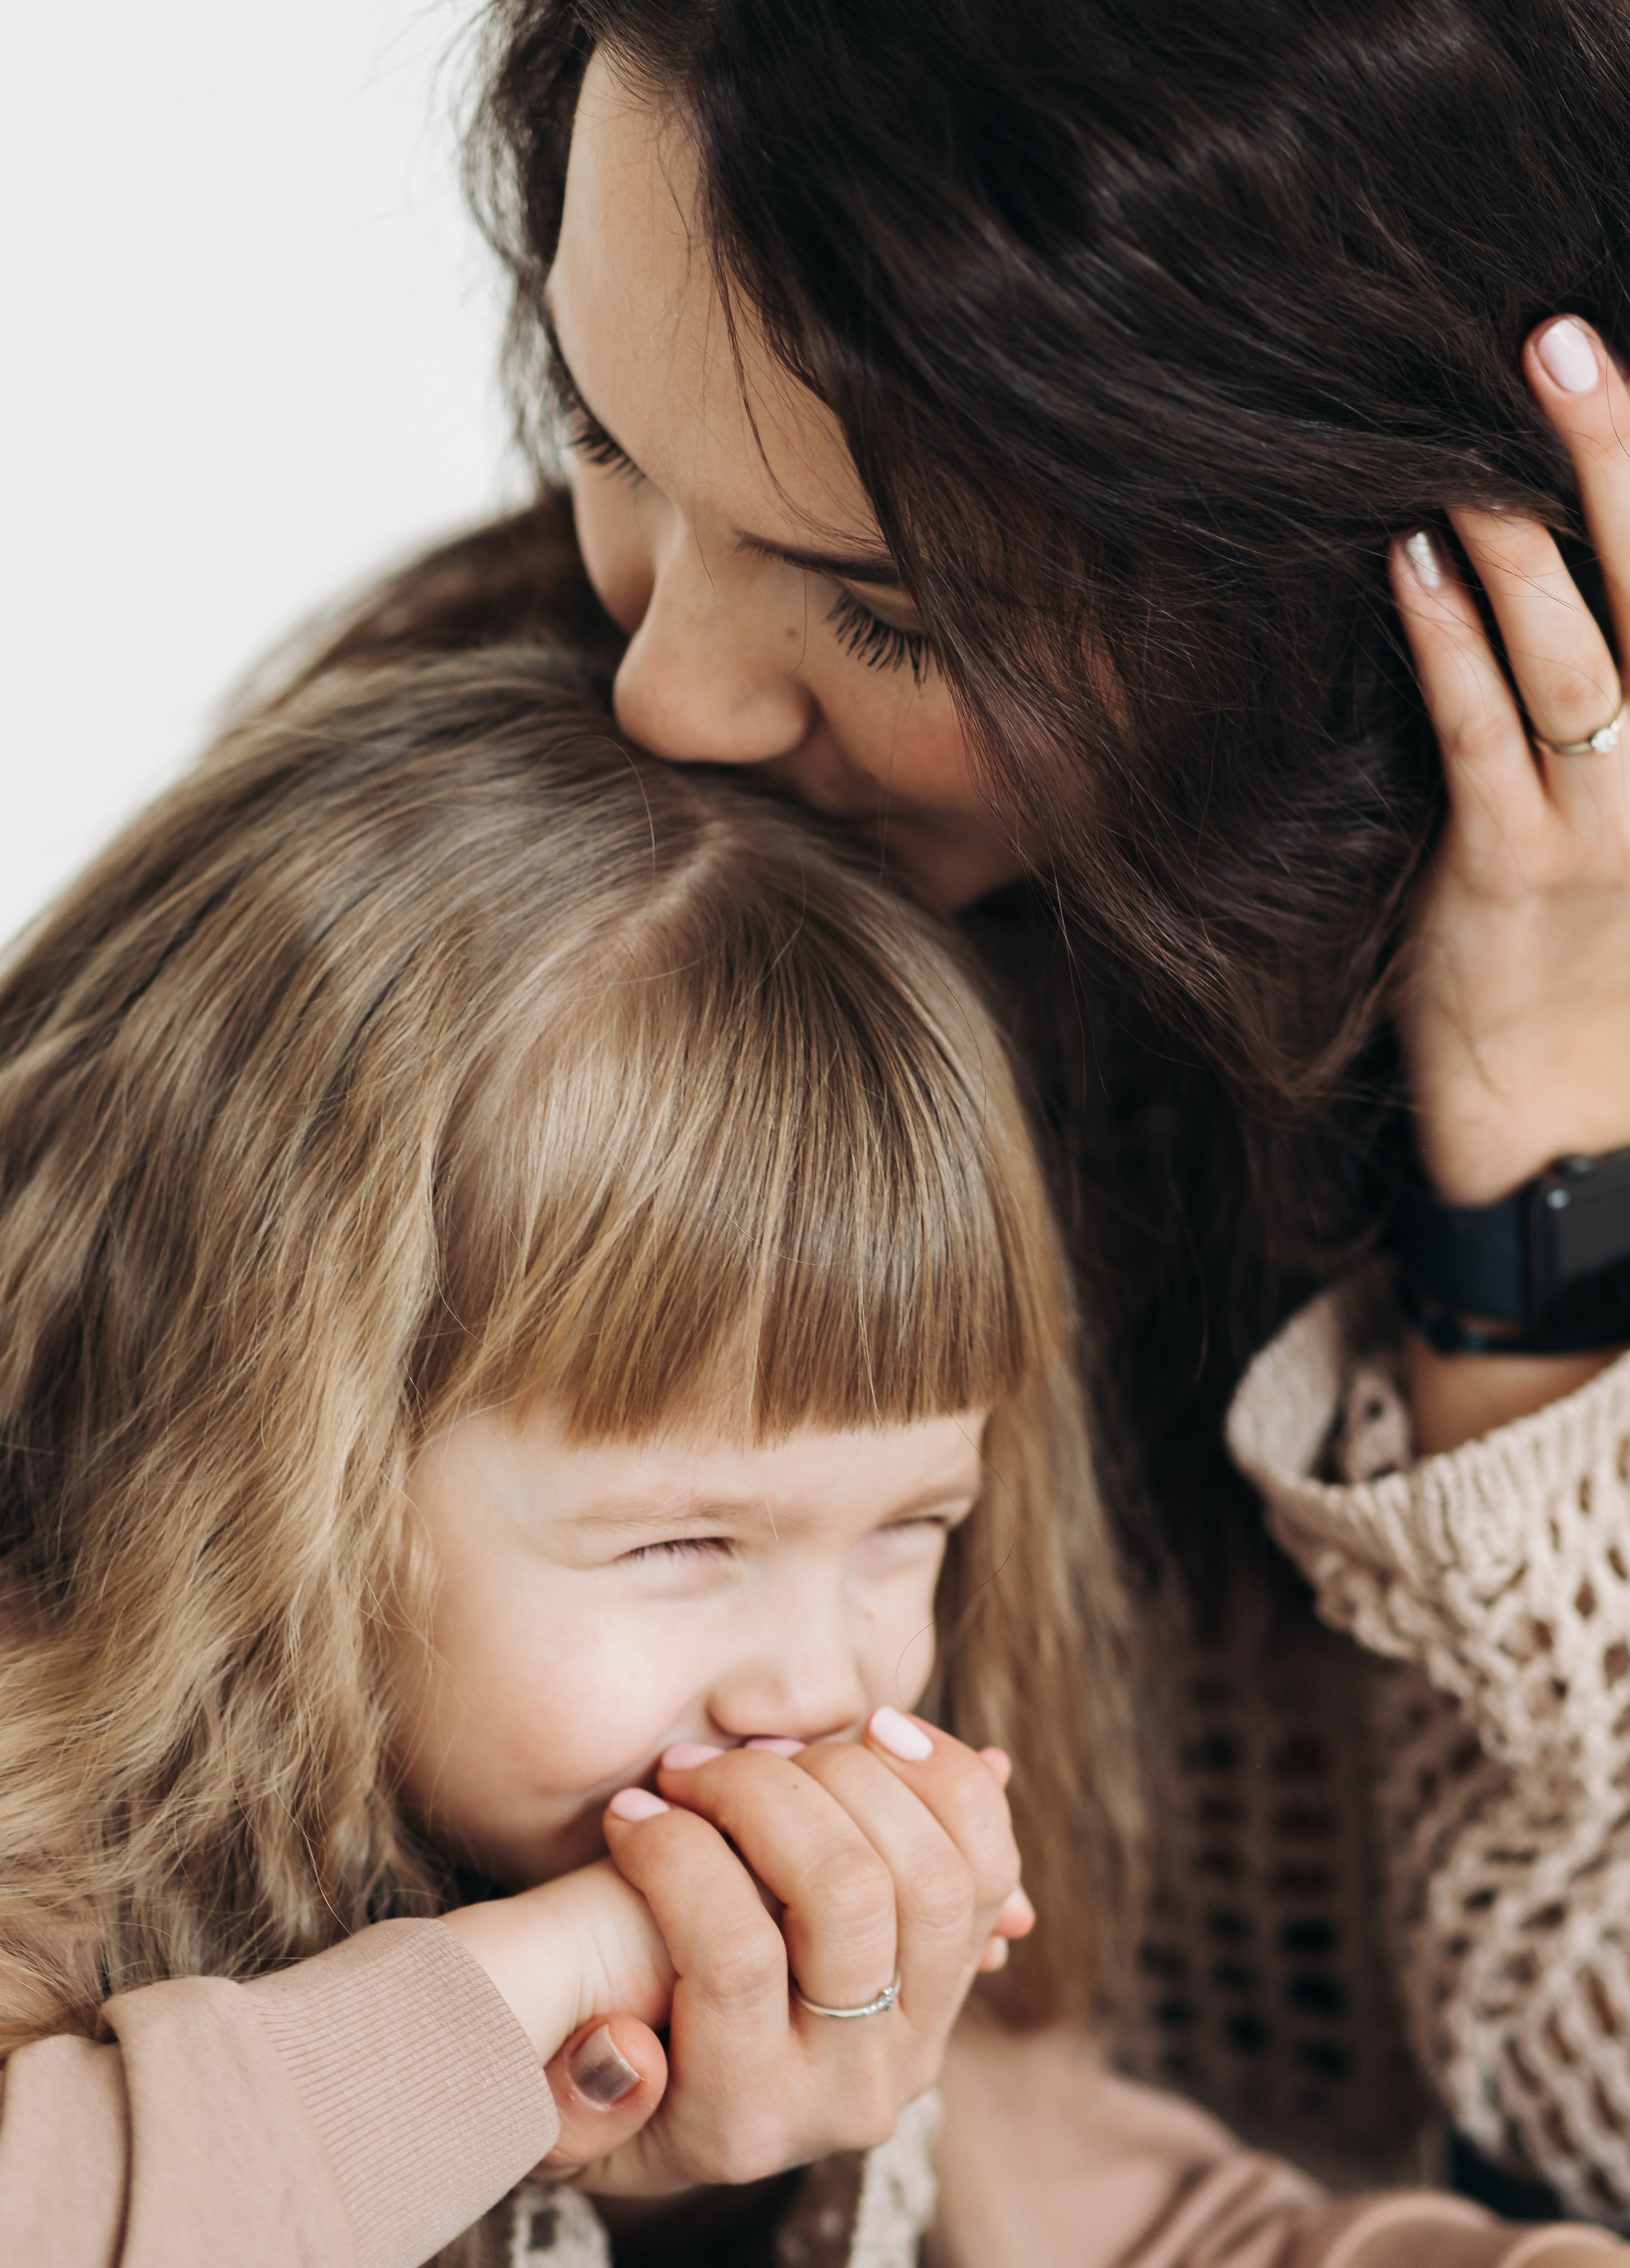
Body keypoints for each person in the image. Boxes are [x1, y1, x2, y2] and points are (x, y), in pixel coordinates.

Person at [266, 0, 1630, 2216]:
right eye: (613, 441)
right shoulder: (471, 835)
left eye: (889, 611)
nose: (665, 690)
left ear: (1365, 604)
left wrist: (1550, 1186)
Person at [16, 641, 1596, 2268]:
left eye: (911, 1523)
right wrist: (528, 1996)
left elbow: (1174, 2233)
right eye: (682, 1542)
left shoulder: (781, 1896)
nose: (820, 1678)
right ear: (262, 1472)